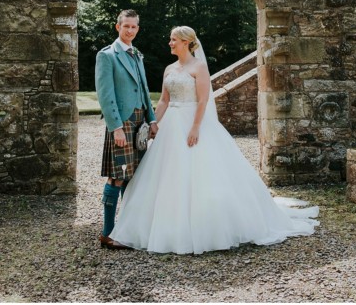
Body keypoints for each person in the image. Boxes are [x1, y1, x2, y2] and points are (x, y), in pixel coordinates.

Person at [109, 26, 319, 254]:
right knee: (167, 173)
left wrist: (196, 127)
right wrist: (153, 123)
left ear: (186, 42)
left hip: (193, 122)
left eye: (173, 40)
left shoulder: (199, 67)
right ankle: (166, 224)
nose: (169, 43)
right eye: (170, 39)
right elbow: (163, 101)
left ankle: (207, 226)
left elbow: (202, 101)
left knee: (202, 172)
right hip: (171, 125)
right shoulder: (169, 68)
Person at [94, 9, 158, 250]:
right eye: (126, 26)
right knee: (117, 176)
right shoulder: (107, 55)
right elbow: (105, 94)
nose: (129, 30)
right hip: (122, 123)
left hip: (140, 123)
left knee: (133, 177)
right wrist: (116, 128)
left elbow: (144, 89)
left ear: (137, 29)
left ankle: (127, 229)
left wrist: (152, 120)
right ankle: (107, 233)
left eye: (133, 27)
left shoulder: (137, 55)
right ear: (117, 27)